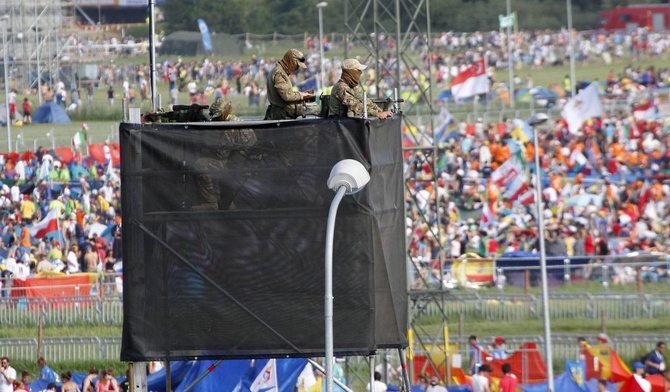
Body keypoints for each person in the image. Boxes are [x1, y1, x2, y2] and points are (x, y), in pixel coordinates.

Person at [193, 98, 260, 210]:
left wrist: (208, 149)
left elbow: (222, 154)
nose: (215, 120)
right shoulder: (235, 121)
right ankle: (228, 204)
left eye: (217, 116)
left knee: (201, 164)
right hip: (247, 162)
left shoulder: (230, 126)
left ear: (224, 113)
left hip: (242, 165)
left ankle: (210, 203)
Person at [328, 58, 392, 120]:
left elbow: (365, 101)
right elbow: (354, 105)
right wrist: (376, 113)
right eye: (358, 70)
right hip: (338, 125)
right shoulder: (341, 87)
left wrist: (380, 111)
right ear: (350, 72)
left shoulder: (352, 86)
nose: (360, 72)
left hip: (346, 124)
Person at [264, 49, 314, 120]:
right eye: (297, 64)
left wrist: (301, 94)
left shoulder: (278, 71)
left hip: (281, 113)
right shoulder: (279, 73)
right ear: (292, 61)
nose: (297, 68)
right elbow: (287, 96)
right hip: (282, 115)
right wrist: (301, 95)